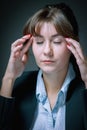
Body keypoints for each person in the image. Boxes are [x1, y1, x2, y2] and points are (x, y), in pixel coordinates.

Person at [0, 2, 87, 130]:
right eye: (39, 42)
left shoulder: (83, 90)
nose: (47, 51)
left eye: (57, 41)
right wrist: (8, 77)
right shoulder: (16, 88)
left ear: (73, 45)